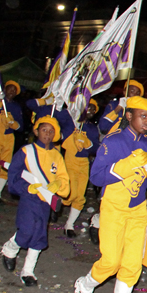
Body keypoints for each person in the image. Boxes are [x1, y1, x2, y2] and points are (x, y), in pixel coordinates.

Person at [74, 96, 147, 293]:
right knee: (111, 261)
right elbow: (96, 177)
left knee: (132, 265)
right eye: (143, 116)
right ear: (129, 116)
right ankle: (84, 286)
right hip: (114, 206)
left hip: (138, 210)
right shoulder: (114, 141)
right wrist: (124, 166)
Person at [1, 116, 70, 286]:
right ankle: (10, 249)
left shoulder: (57, 155)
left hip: (45, 201)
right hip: (29, 198)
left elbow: (63, 177)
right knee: (26, 230)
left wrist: (58, 184)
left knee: (39, 235)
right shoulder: (26, 151)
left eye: (51, 131)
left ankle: (28, 271)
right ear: (37, 131)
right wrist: (26, 188)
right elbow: (14, 175)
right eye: (44, 130)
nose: (47, 134)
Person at [61, 101, 100, 238]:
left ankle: (69, 225)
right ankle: (58, 203)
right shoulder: (72, 122)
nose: (90, 111)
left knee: (80, 195)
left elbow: (96, 147)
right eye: (88, 107)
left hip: (83, 162)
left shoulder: (92, 128)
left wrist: (88, 144)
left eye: (93, 109)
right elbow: (61, 133)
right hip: (69, 160)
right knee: (69, 193)